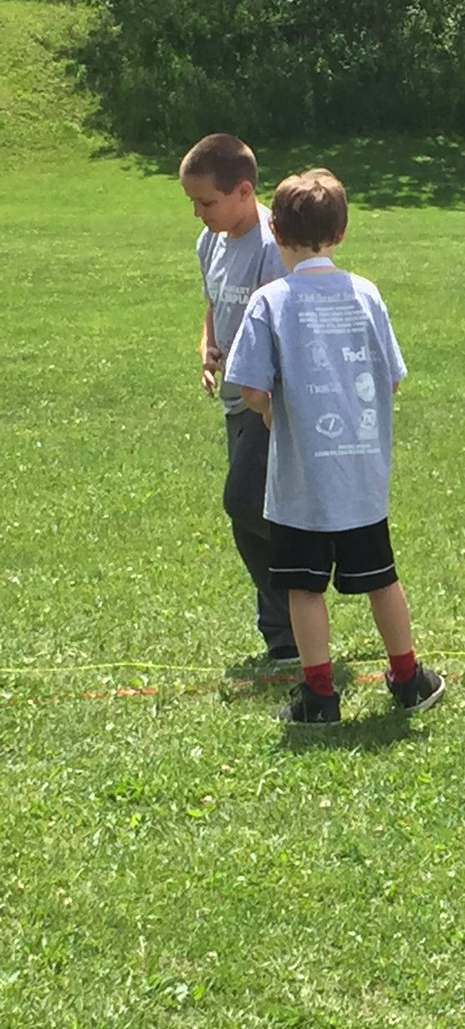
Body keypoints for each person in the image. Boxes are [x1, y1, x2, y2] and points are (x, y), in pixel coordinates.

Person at [223, 168, 445, 724]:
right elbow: (391, 376)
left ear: (274, 229)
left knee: (303, 588)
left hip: (301, 479)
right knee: (381, 578)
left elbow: (250, 387)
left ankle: (320, 696)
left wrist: (273, 410)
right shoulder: (366, 293)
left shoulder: (270, 300)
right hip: (361, 475)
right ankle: (408, 677)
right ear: (342, 231)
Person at [179, 133, 298, 667]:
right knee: (246, 524)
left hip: (267, 400)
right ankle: (285, 638)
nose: (200, 213)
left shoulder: (273, 246)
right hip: (234, 401)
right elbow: (214, 302)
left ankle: (317, 551)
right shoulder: (212, 241)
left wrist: (265, 393)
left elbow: (284, 326)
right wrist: (207, 343)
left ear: (245, 191)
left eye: (207, 202)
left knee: (246, 501)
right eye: (193, 203)